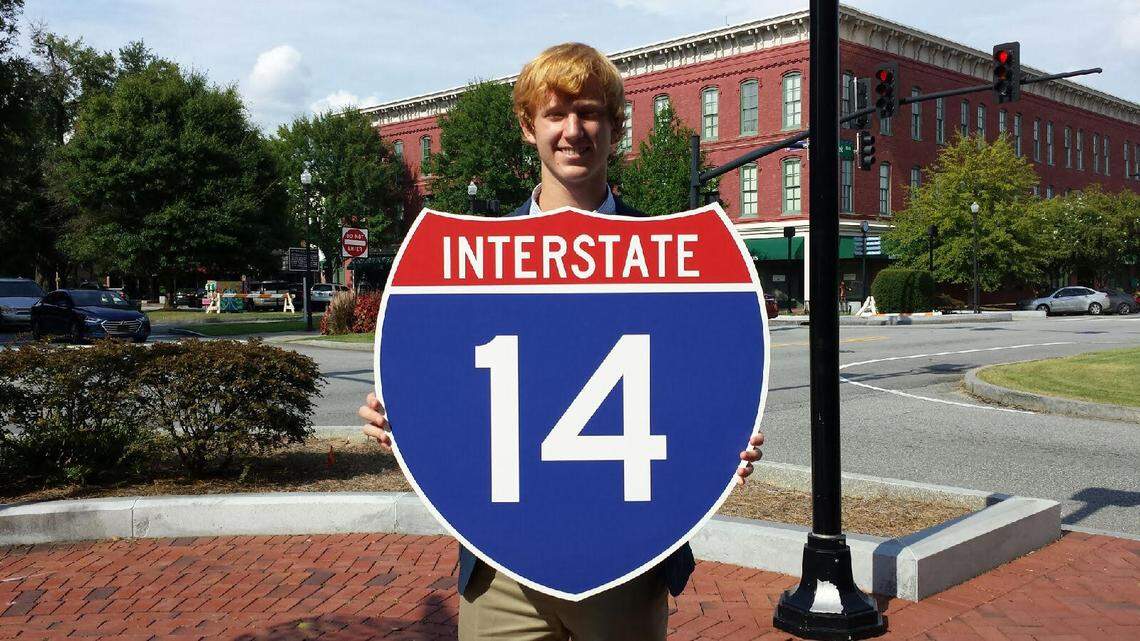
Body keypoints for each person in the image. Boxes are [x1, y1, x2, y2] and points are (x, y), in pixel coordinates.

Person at [360, 42, 765, 641]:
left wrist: (724, 438)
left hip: (628, 563)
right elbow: (453, 387)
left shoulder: (677, 255)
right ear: (529, 128)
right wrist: (401, 413)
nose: (574, 130)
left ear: (613, 127)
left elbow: (695, 386)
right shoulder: (467, 260)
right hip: (501, 574)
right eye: (556, 114)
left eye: (591, 113)